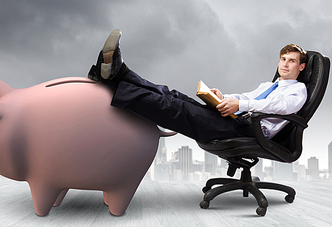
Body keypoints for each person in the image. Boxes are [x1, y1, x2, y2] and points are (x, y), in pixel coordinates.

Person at [88, 29, 307, 143]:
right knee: (173, 95)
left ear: (301, 66)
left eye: (292, 61)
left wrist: (240, 103)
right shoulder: (268, 85)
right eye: (283, 59)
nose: (285, 64)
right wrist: (224, 97)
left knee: (176, 109)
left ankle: (112, 82)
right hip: (239, 120)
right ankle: (120, 72)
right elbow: (247, 96)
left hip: (253, 131)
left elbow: (281, 107)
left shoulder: (298, 90)